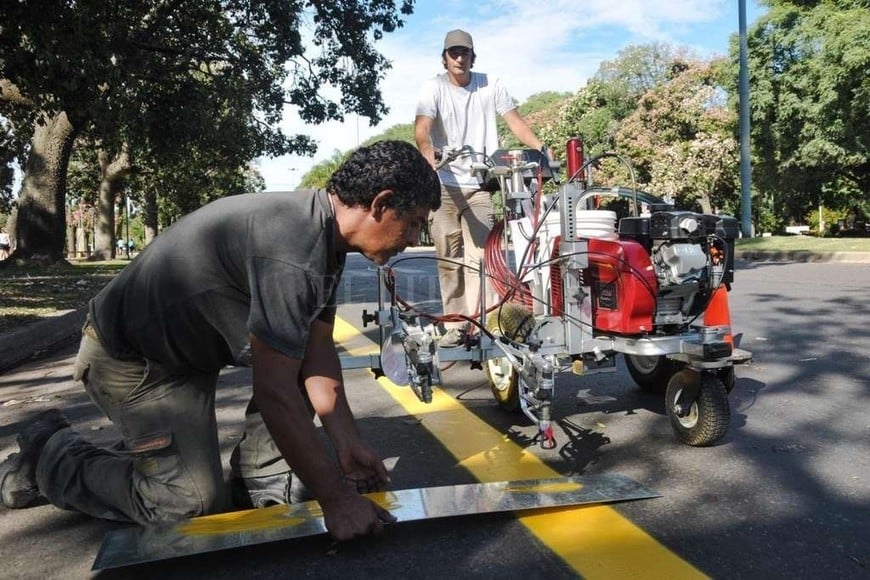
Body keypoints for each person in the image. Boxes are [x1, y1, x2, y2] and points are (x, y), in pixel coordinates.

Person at [0, 140, 441, 543]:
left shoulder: (327, 239)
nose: (415, 240)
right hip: (133, 362)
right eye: (415, 223)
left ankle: (258, 477)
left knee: (292, 364)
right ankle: (49, 455)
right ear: (382, 204)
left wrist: (347, 440)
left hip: (188, 356)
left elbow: (317, 351)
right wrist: (337, 500)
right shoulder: (293, 247)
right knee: (188, 502)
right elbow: (274, 394)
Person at [414, 29, 552, 347]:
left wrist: (542, 147)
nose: (459, 57)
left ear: (472, 56)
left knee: (480, 259)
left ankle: (481, 322)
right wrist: (427, 151)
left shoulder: (490, 85)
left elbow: (514, 121)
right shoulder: (433, 87)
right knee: (450, 261)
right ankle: (455, 325)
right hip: (444, 185)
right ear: (445, 57)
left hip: (478, 184)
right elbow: (422, 127)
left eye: (464, 52)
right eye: (453, 53)